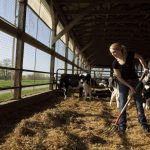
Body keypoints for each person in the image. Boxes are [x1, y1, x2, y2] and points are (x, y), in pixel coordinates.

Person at [109, 42, 149, 133]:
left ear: (119, 50)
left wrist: (145, 67)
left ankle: (143, 123)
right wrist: (130, 87)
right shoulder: (115, 63)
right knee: (123, 103)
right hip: (123, 83)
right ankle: (122, 125)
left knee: (139, 102)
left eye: (114, 52)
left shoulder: (129, 55)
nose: (113, 54)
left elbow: (140, 57)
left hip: (135, 80)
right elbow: (119, 78)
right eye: (111, 53)